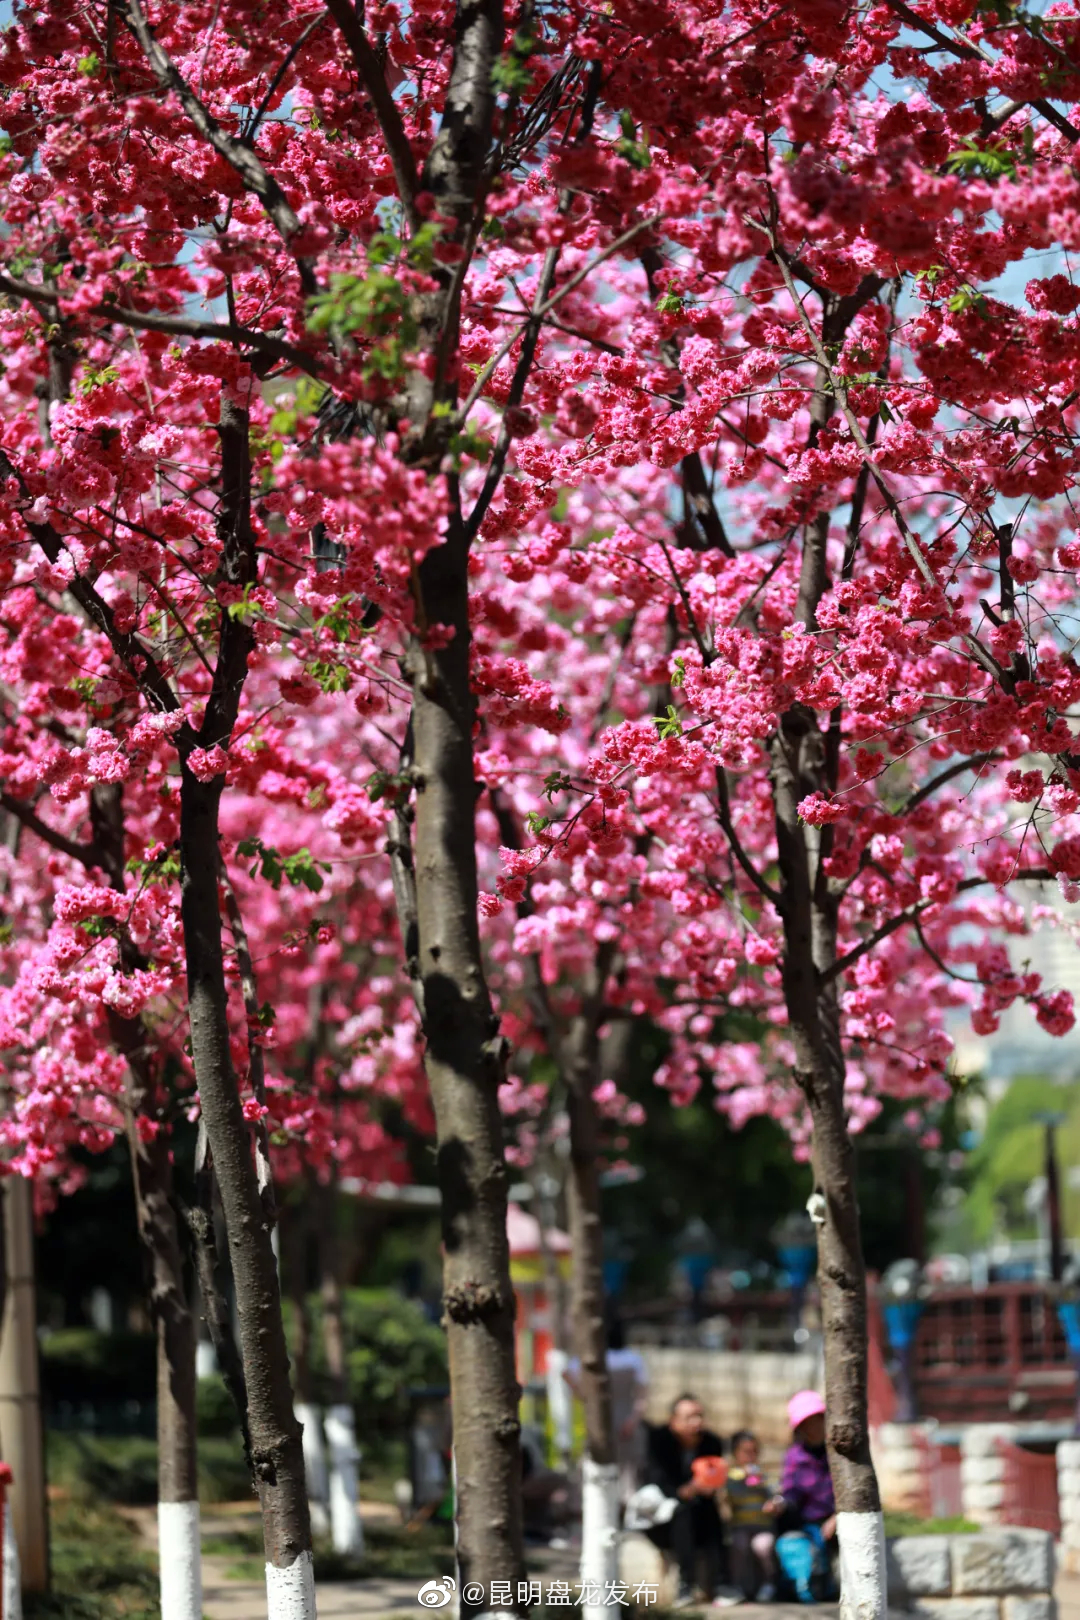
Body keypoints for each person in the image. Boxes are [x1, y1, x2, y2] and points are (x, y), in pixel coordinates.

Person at [639, 1393, 742, 1609]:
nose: (696, 1422)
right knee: (683, 1511)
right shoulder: (659, 1441)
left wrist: (705, 1487)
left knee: (711, 1511)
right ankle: (685, 1584)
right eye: (689, 1417)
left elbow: (714, 1477)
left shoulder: (711, 1442)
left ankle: (723, 1583)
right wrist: (686, 1490)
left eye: (699, 1416)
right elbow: (659, 1481)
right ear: (674, 1420)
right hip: (662, 1512)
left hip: (700, 1508)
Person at [775, 1391, 838, 1604]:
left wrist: (838, 1517)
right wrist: (781, 1503)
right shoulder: (795, 1456)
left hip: (837, 1517)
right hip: (808, 1520)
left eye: (816, 1420)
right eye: (806, 1423)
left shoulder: (838, 1452)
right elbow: (791, 1490)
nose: (812, 1427)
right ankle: (804, 1587)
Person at [723, 1430, 781, 1601]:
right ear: (735, 1454)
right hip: (740, 1526)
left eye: (754, 1451)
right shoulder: (731, 1477)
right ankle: (737, 1586)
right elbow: (728, 1493)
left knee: (763, 1546)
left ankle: (769, 1584)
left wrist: (775, 1502)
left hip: (762, 1527)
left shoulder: (764, 1477)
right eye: (745, 1452)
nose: (750, 1456)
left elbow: (777, 1494)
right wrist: (743, 1478)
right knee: (738, 1545)